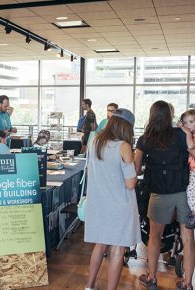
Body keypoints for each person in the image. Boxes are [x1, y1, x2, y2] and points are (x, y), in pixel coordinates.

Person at [134, 101, 195, 290]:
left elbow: (136, 169)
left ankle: (151, 278)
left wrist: (148, 165)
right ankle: (187, 283)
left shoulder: (145, 139)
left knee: (154, 237)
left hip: (158, 194)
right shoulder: (181, 135)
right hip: (184, 193)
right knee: (188, 238)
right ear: (170, 115)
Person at [84, 109, 140, 290]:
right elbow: (131, 183)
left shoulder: (95, 142)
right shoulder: (123, 146)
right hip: (120, 206)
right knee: (117, 251)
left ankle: (90, 285)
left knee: (99, 246)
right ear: (127, 127)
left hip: (99, 204)